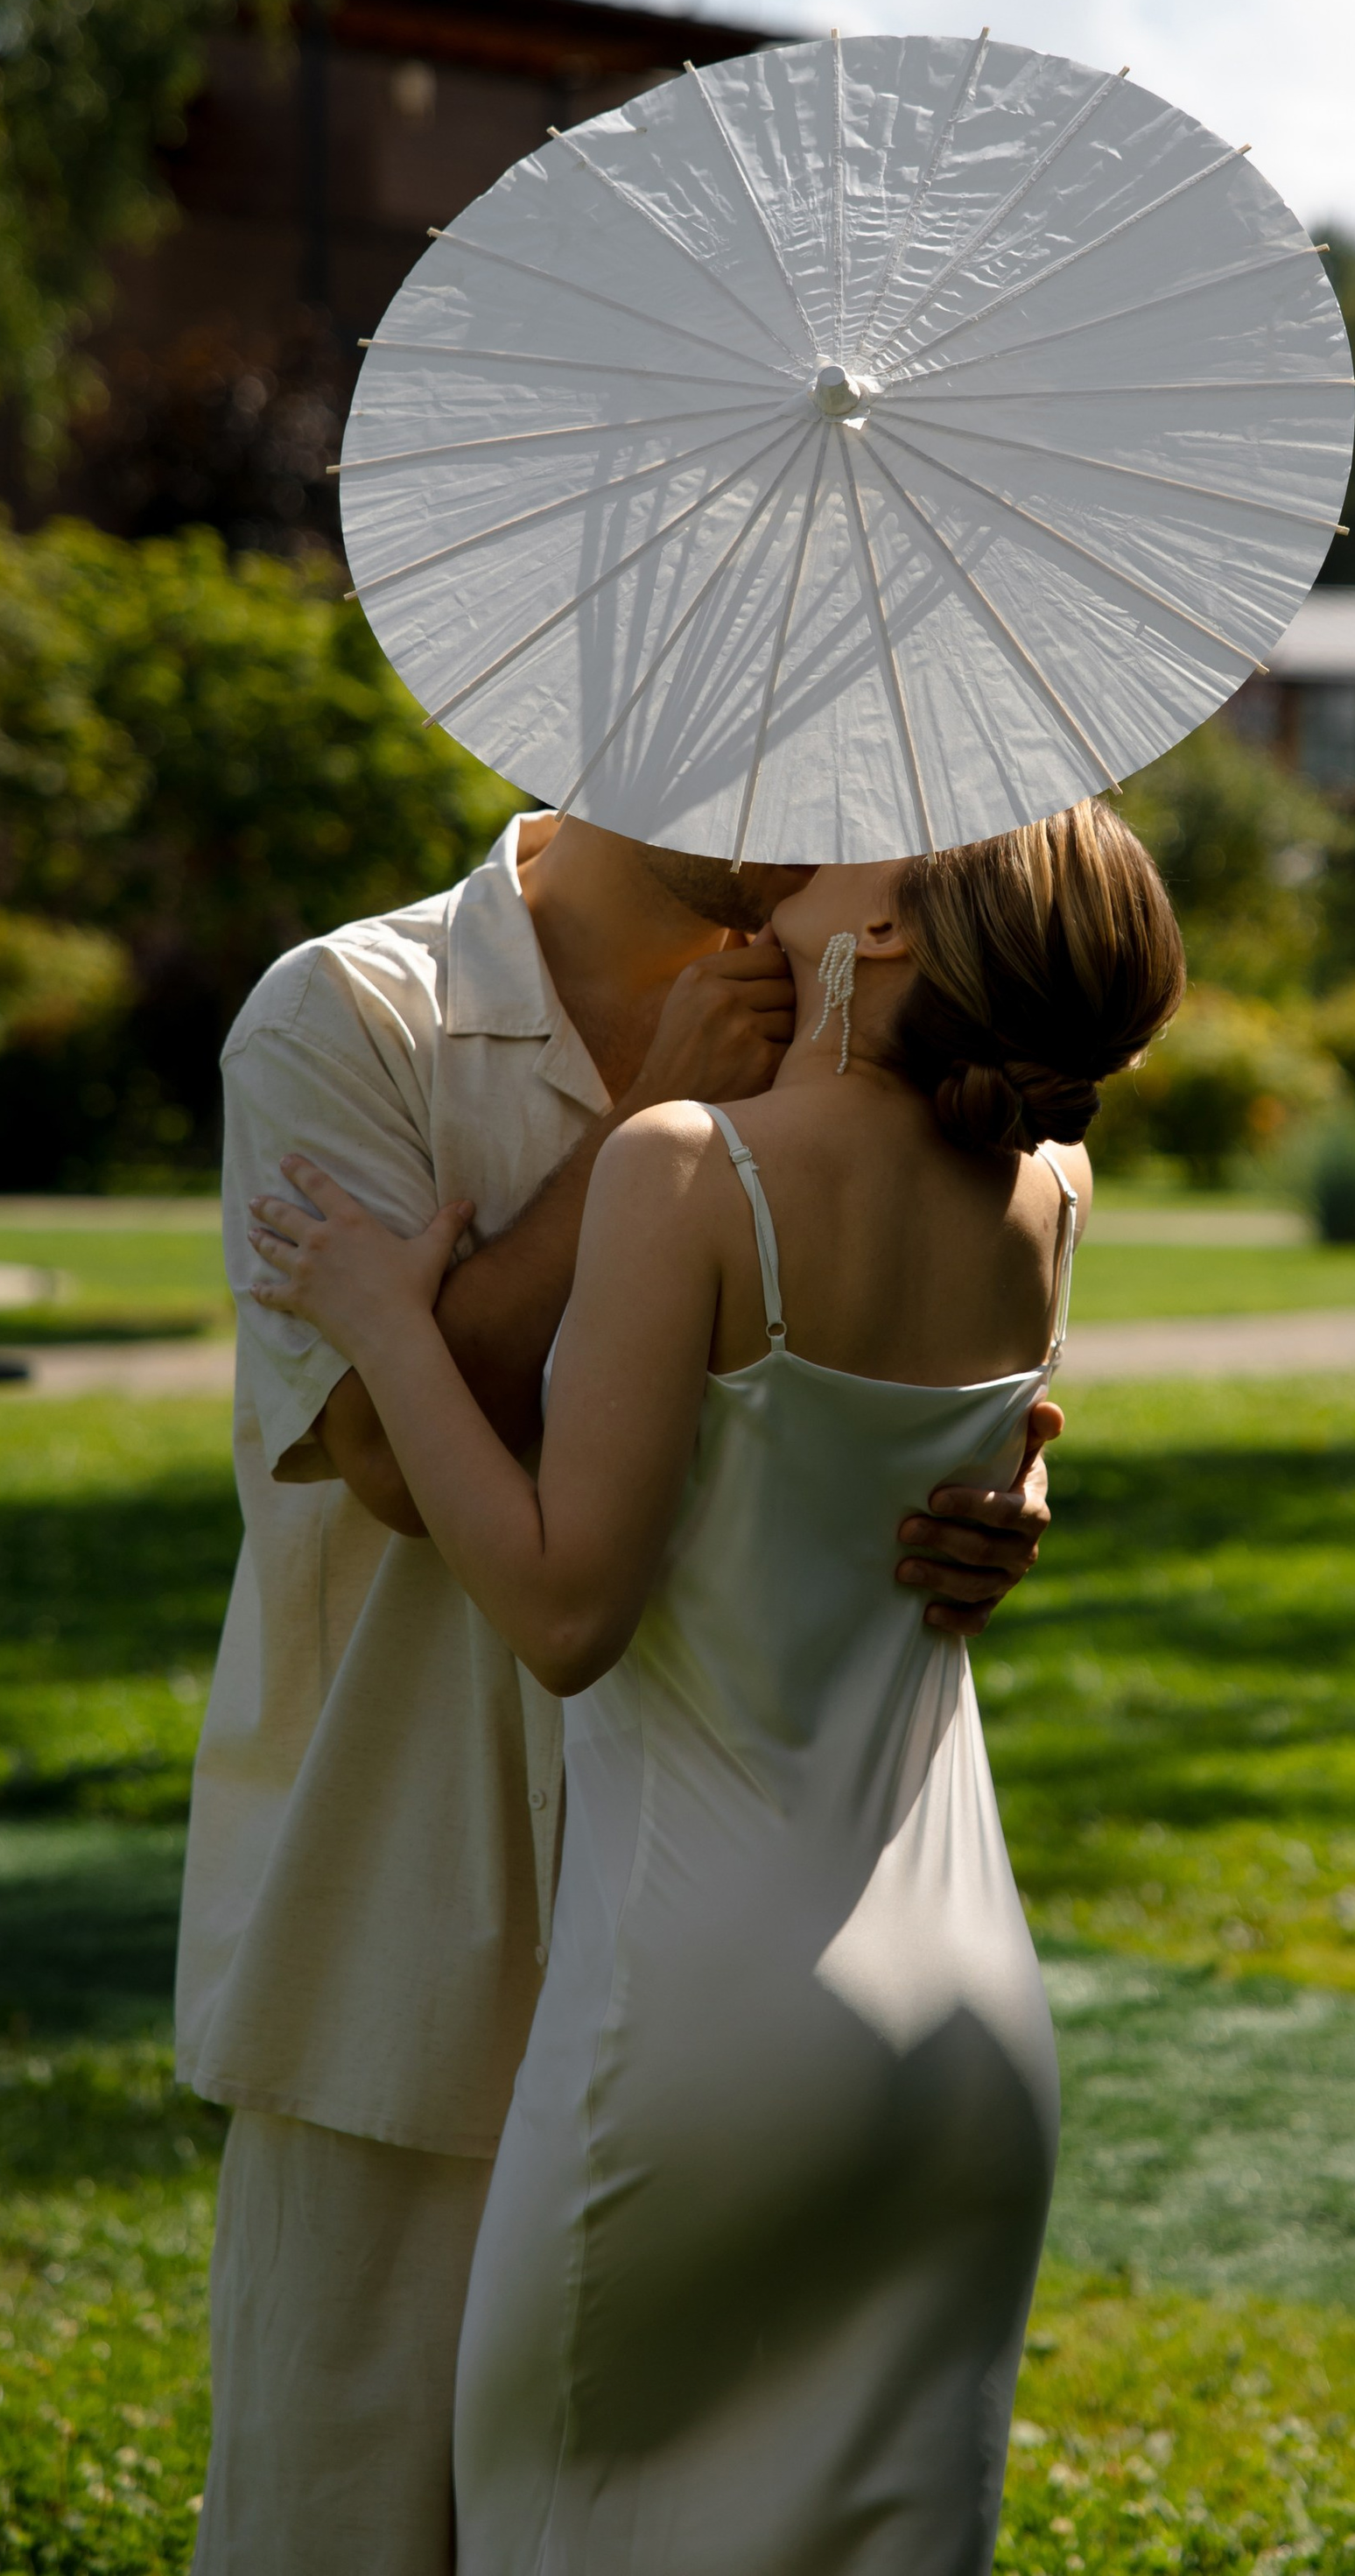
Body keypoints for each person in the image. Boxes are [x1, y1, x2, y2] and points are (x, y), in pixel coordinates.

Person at [245, 800, 1185, 2576]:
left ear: (892, 932)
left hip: (708, 2016)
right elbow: (923, 1449)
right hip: (967, 2021)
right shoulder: (1053, 1191)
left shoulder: (693, 1166)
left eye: (858, 839)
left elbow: (558, 1609)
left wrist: (382, 1321)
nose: (798, 853)